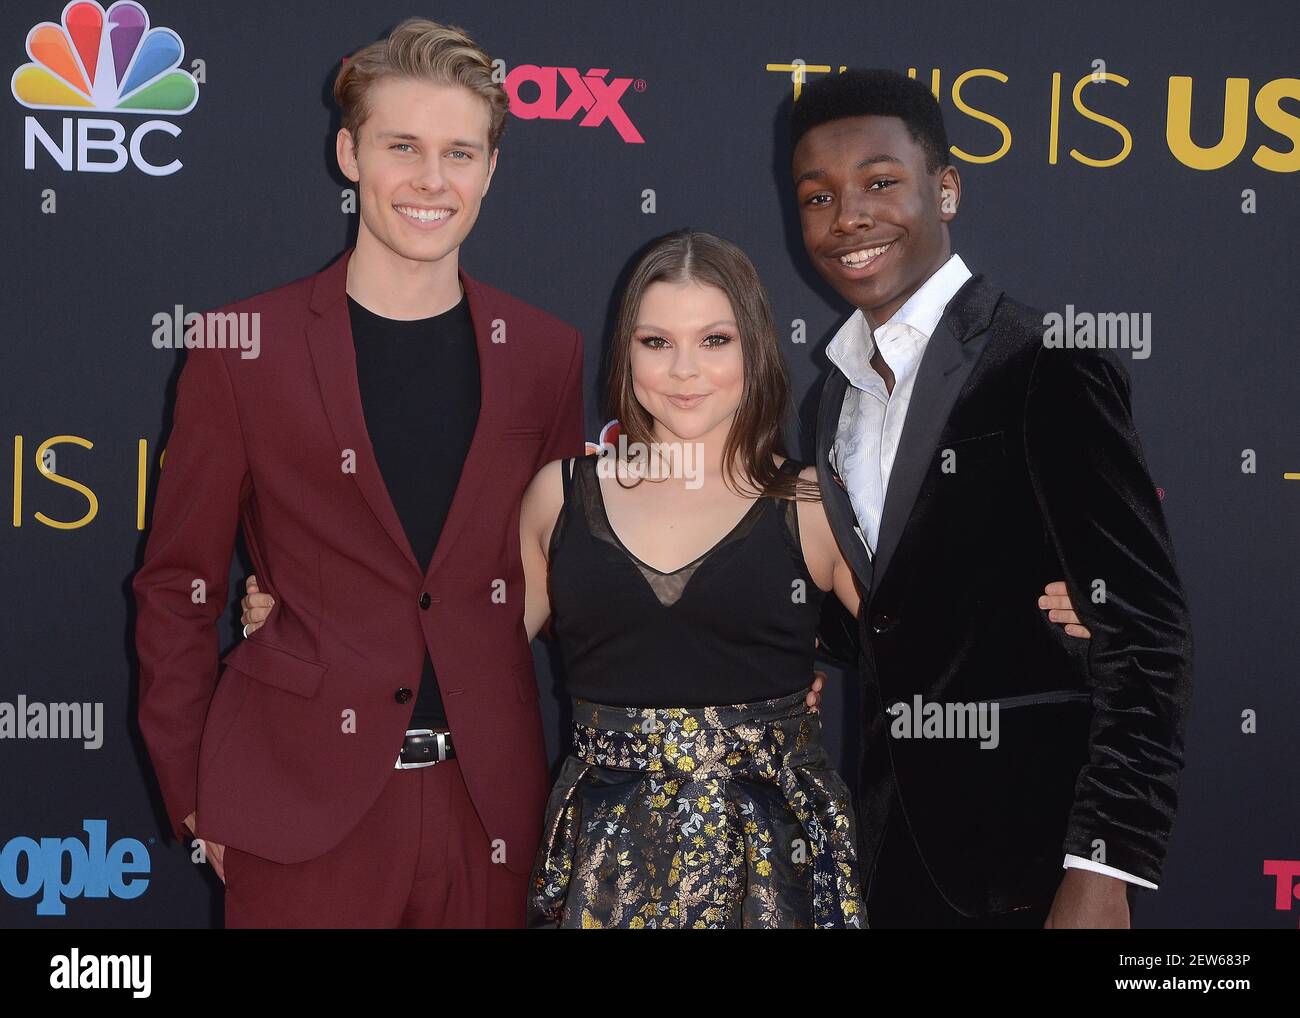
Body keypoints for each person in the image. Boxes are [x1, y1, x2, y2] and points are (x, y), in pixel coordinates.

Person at [243, 229, 1089, 928]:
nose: (685, 371)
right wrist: (308, 619)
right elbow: (460, 652)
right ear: (628, 353)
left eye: (714, 340)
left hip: (782, 869)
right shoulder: (560, 496)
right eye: (658, 343)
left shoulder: (807, 501)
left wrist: (1062, 607)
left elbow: (936, 648)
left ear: (754, 349)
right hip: (603, 867)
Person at [133, 19, 585, 928]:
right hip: (295, 813)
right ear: (349, 154)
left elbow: (568, 571)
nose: (431, 180)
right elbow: (176, 585)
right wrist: (193, 798)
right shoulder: (242, 351)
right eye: (402, 146)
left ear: (491, 169)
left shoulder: (545, 355)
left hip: (486, 815)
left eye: (460, 152)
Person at [791, 69, 1193, 928]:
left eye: (880, 182)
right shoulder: (832, 397)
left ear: (947, 189)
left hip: (1036, 855)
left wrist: (1101, 870)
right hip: (895, 852)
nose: (849, 216)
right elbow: (892, 619)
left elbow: (1147, 635)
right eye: (818, 196)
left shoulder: (1047, 360)